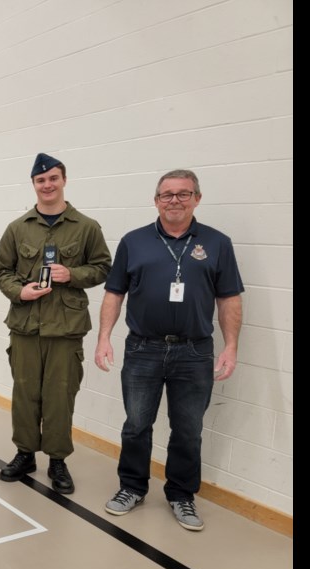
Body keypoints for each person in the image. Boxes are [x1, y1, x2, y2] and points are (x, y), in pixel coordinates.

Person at [95, 169, 243, 531]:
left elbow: (229, 299)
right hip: (143, 349)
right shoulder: (134, 241)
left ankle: (181, 495)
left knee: (188, 430)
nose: (174, 200)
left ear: (197, 198)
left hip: (194, 352)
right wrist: (103, 337)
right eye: (167, 194)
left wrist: (231, 347)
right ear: (156, 199)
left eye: (183, 193)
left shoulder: (218, 243)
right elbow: (114, 293)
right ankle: (132, 487)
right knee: (136, 425)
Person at [0, 153, 111, 494]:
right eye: (41, 180)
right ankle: (25, 454)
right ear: (34, 185)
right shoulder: (17, 228)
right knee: (25, 393)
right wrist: (20, 291)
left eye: (53, 178)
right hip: (26, 326)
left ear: (63, 181)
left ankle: (58, 460)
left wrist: (71, 274)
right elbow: (1, 271)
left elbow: (103, 267)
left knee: (60, 396)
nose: (47, 185)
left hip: (66, 328)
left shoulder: (86, 227)